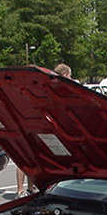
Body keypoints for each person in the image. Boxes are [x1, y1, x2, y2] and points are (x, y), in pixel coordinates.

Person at [16, 62, 72, 198]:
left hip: (36, 125)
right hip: (31, 126)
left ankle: (30, 188)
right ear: (65, 74)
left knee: (34, 159)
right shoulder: (38, 87)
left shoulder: (38, 87)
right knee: (25, 159)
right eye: (69, 76)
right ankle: (20, 190)